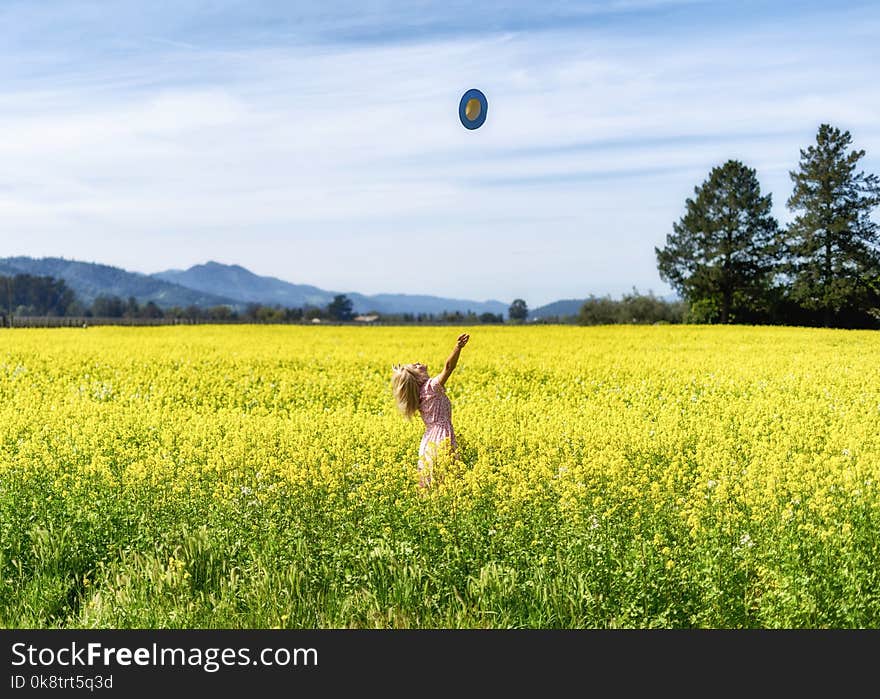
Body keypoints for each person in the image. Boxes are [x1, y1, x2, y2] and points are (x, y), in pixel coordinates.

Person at [391, 333, 470, 487]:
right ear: (417, 377)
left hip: (429, 440)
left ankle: (427, 506)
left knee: (430, 481)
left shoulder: (419, 395)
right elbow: (448, 367)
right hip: (442, 437)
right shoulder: (431, 387)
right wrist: (458, 347)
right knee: (447, 479)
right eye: (415, 366)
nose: (418, 362)